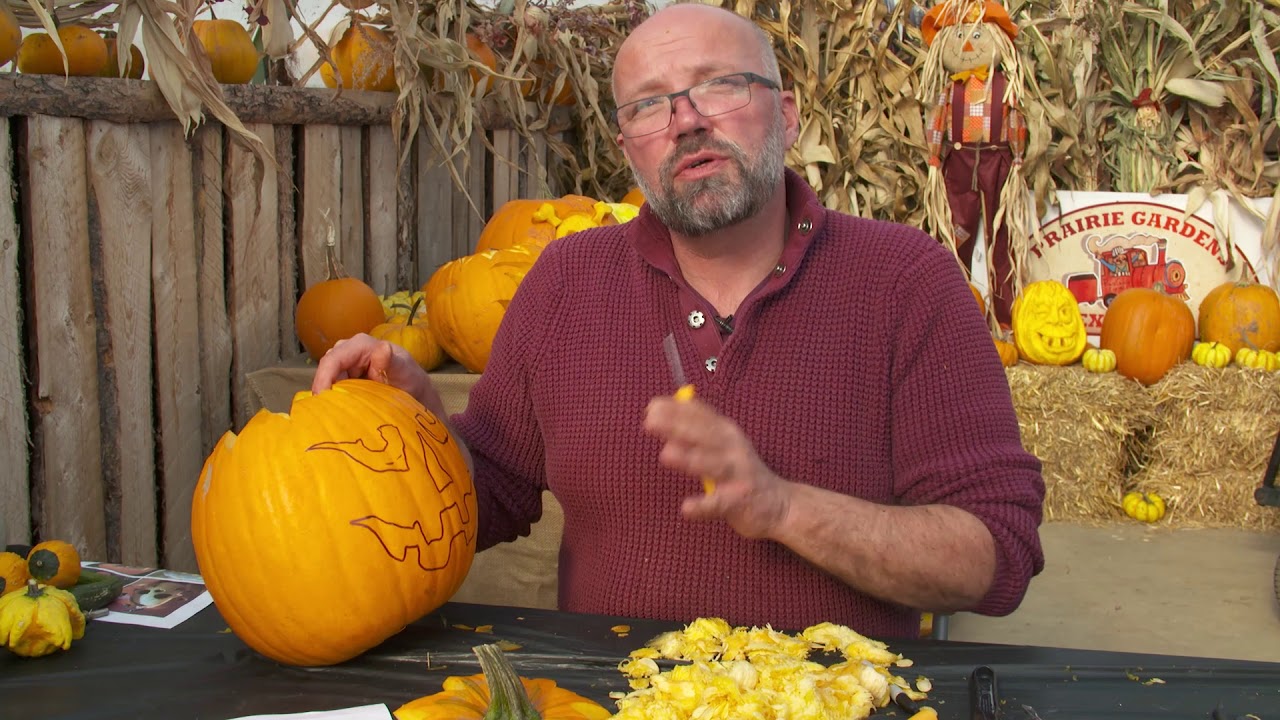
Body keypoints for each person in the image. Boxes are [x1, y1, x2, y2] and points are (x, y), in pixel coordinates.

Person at [314, 2, 1045, 639]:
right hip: (613, 700)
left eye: (718, 86)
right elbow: (493, 493)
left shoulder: (905, 281)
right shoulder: (567, 282)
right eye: (649, 105)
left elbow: (996, 555)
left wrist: (783, 506)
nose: (687, 120)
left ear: (786, 115)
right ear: (628, 146)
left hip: (835, 699)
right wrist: (421, 428)